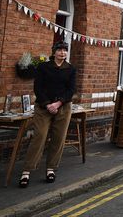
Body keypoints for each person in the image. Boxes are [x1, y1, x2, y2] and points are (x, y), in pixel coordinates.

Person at [19, 41, 77, 187]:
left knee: (58, 138)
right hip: (43, 107)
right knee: (40, 136)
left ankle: (51, 169)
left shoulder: (71, 69)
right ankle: (27, 171)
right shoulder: (44, 67)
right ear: (54, 51)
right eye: (59, 50)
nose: (62, 53)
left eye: (65, 50)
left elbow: (71, 90)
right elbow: (38, 87)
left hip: (63, 107)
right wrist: (47, 104)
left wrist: (58, 104)